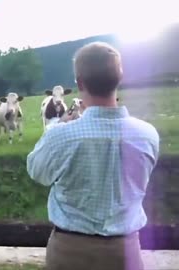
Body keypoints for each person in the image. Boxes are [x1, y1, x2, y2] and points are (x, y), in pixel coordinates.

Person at [26, 42, 160, 270]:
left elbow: (37, 173)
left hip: (70, 251)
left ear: (79, 82)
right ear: (119, 77)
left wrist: (56, 128)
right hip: (125, 253)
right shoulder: (147, 134)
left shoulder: (61, 135)